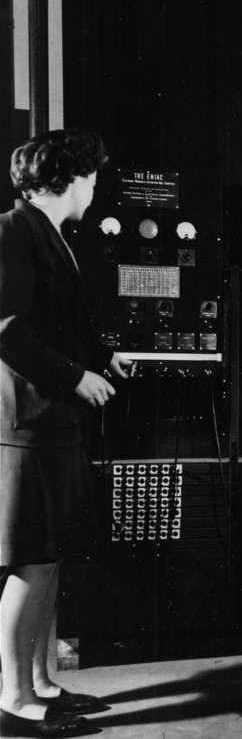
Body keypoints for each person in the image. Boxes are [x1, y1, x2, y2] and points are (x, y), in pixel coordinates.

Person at [1, 129, 133, 737]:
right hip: (29, 424)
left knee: (48, 558)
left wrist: (102, 358)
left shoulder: (50, 234)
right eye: (92, 178)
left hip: (53, 424)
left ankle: (42, 684)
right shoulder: (14, 231)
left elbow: (61, 323)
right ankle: (13, 699)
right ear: (70, 179)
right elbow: (7, 329)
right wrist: (75, 377)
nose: (95, 189)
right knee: (31, 562)